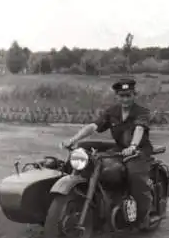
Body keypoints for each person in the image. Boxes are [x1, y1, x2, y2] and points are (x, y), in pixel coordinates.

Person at [61, 78, 154, 229]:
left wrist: (133, 146)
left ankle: (143, 215)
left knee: (135, 177)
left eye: (128, 95)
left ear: (134, 95)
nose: (125, 99)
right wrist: (73, 139)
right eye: (122, 95)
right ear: (117, 96)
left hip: (139, 151)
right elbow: (93, 126)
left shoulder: (141, 112)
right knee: (82, 148)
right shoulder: (112, 112)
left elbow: (139, 128)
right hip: (120, 148)